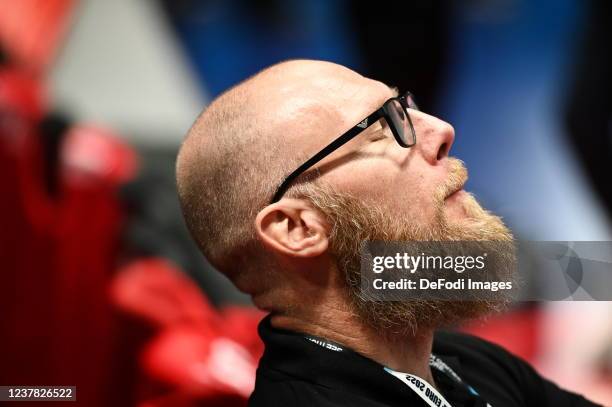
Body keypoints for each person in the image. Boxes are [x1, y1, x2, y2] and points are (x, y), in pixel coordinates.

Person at [176, 60, 599, 406]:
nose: (441, 130)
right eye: (380, 127)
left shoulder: (465, 362)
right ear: (297, 228)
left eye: (404, 106)